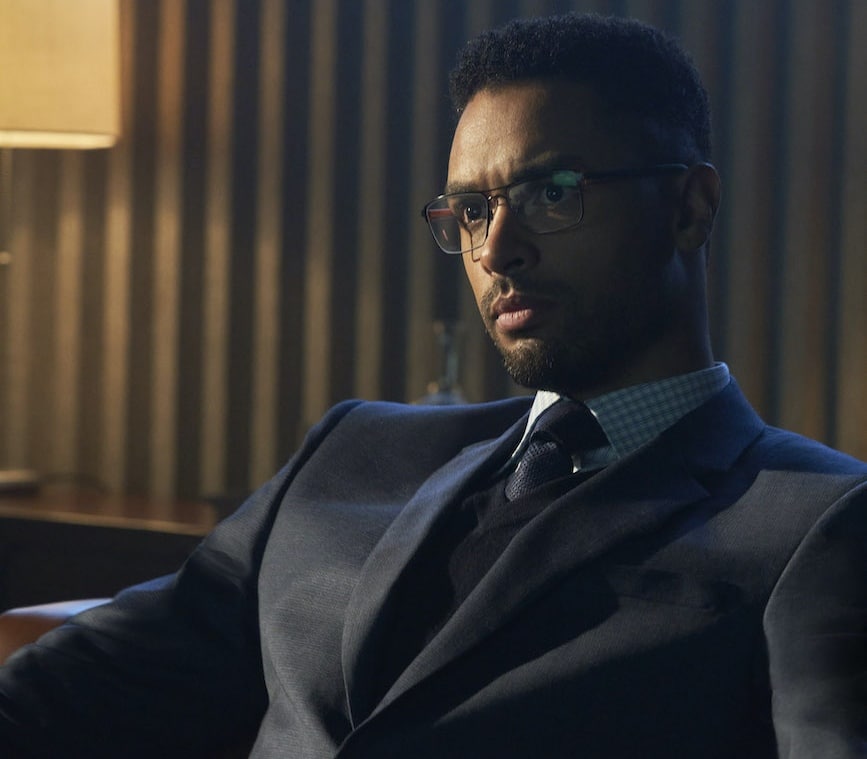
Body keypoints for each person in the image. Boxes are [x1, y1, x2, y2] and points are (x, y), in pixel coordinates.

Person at [2, 12, 866, 759]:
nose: (497, 251)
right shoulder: (352, 454)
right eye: (473, 211)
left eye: (551, 191)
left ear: (688, 208)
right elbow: (68, 693)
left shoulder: (818, 523)